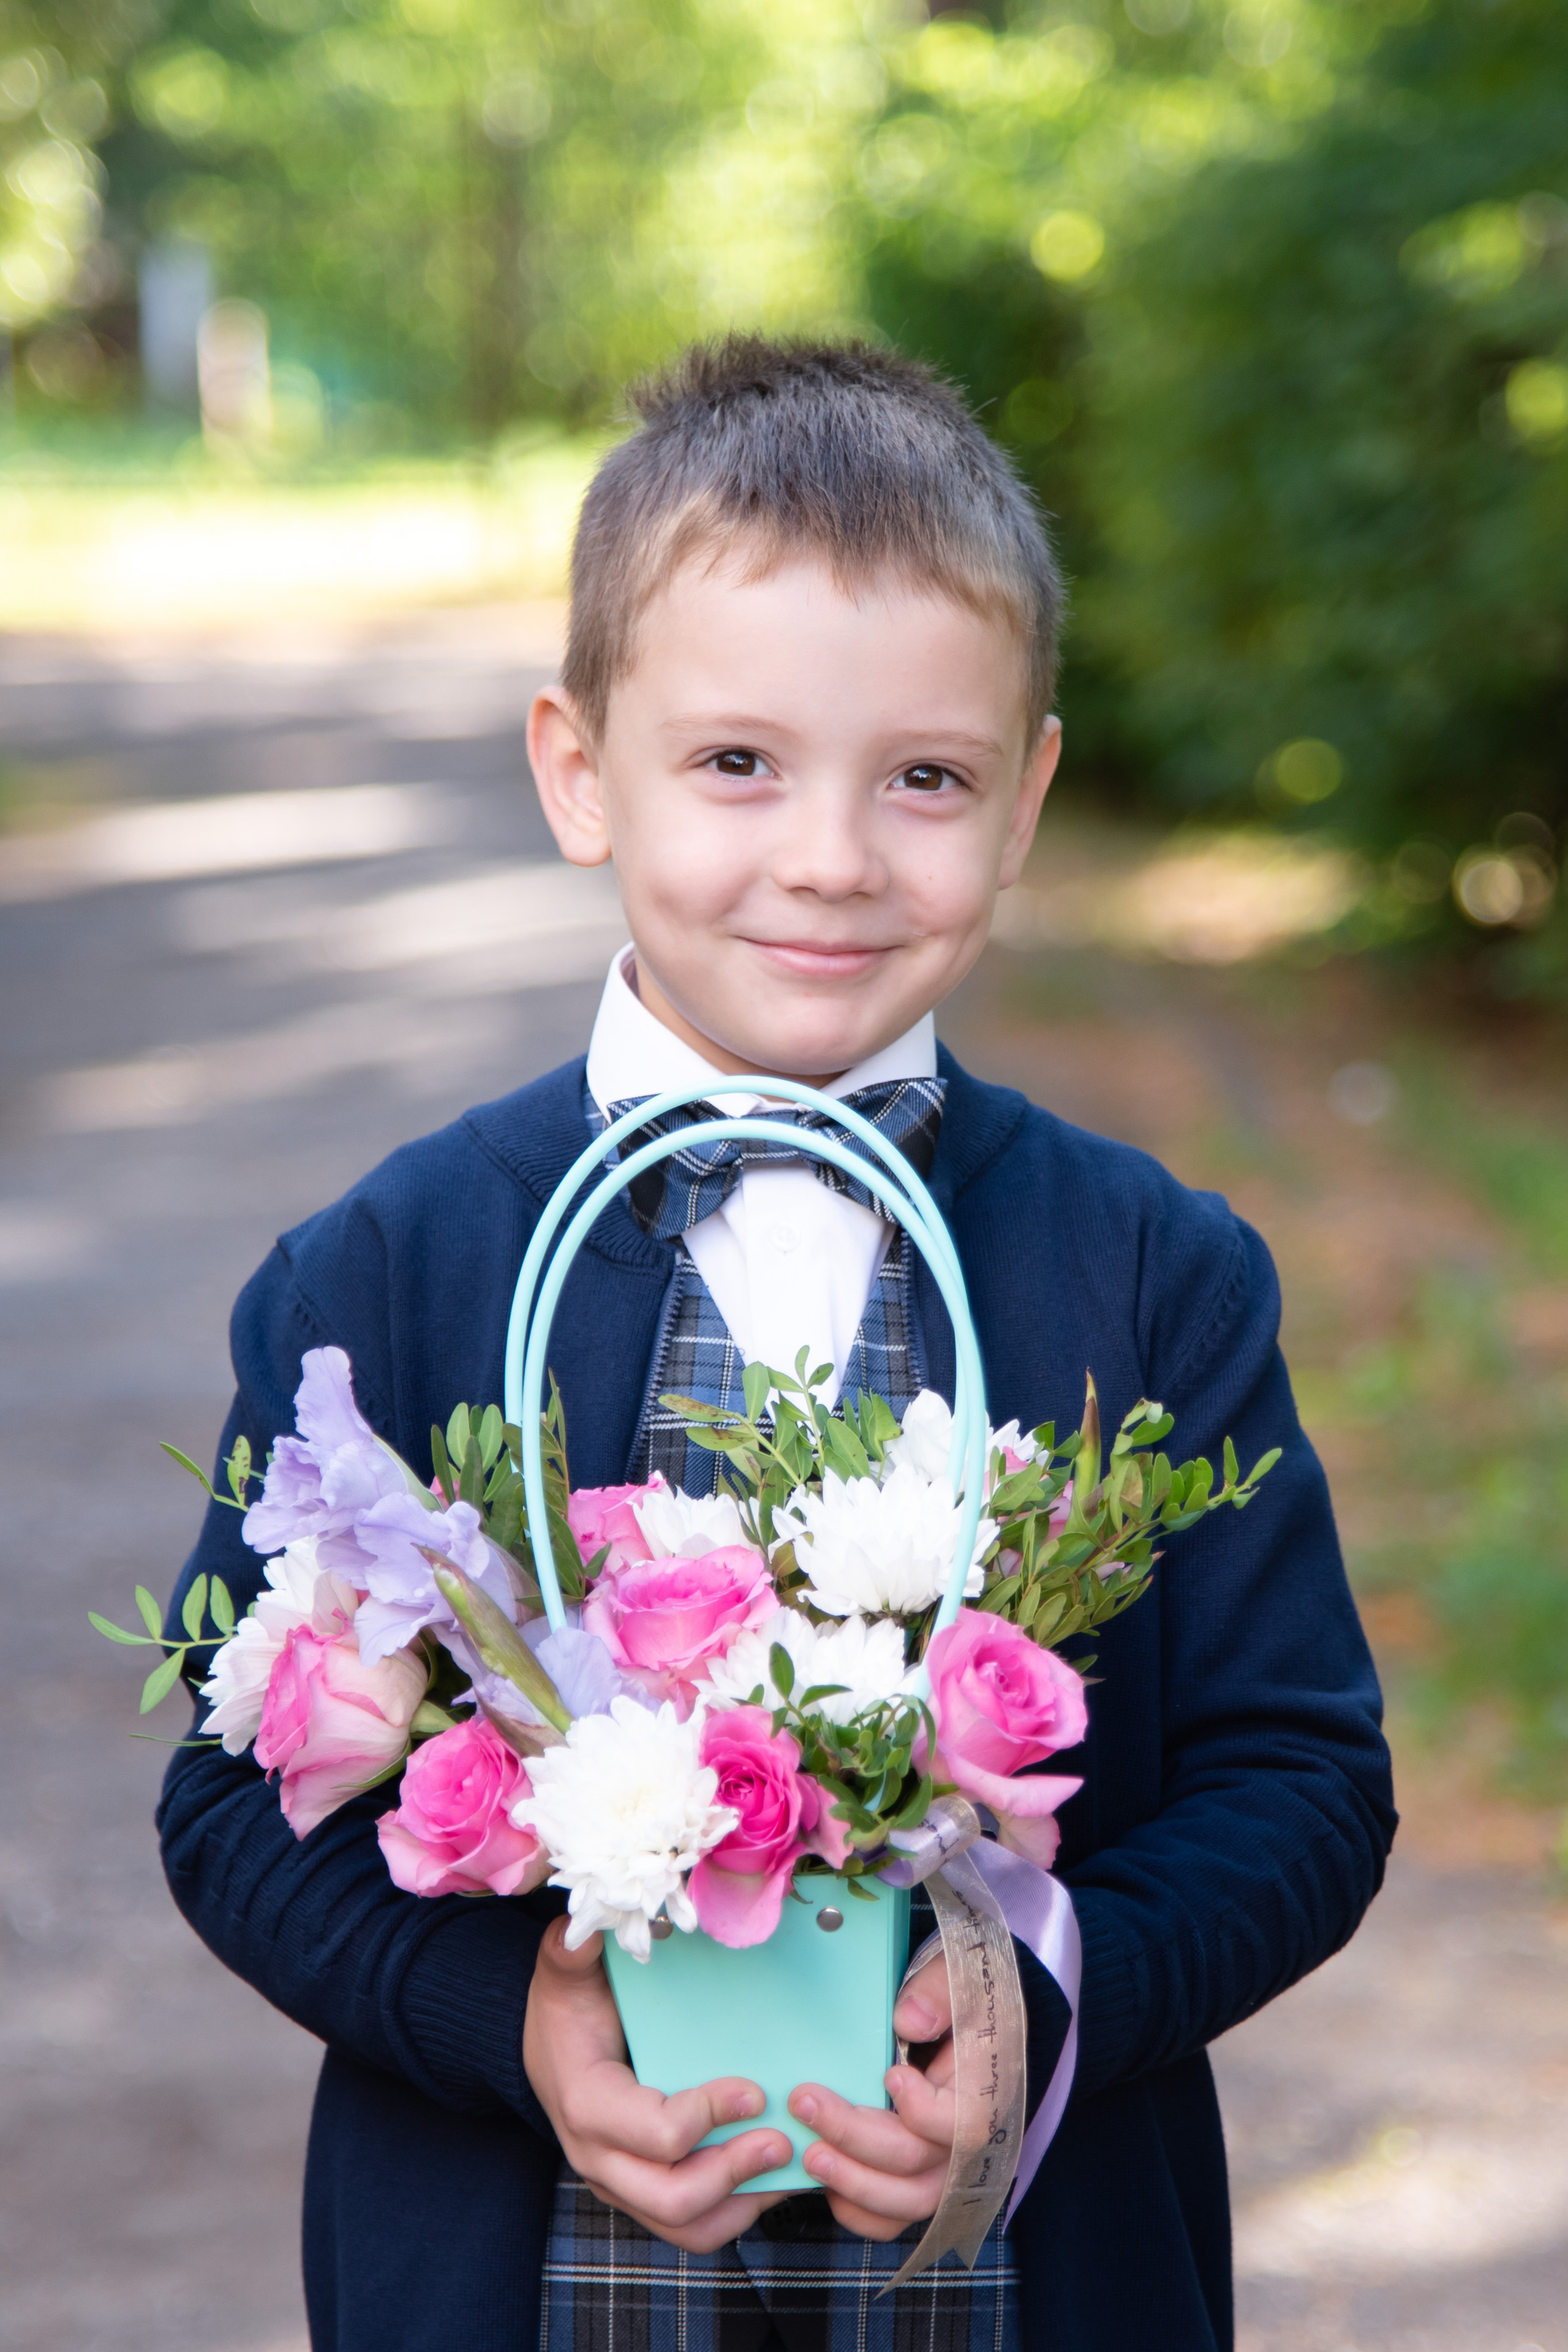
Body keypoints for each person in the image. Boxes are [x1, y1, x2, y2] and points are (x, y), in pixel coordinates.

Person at [158, 338, 1396, 2352]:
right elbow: (228, 1802)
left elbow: (1303, 1779)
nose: (832, 855)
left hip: (1025, 2283)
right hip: (527, 2282)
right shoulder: (382, 1270)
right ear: (580, 770)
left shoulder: (1154, 1268)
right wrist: (511, 2025)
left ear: (1026, 805)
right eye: (738, 762)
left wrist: (1051, 2006)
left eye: (926, 776)